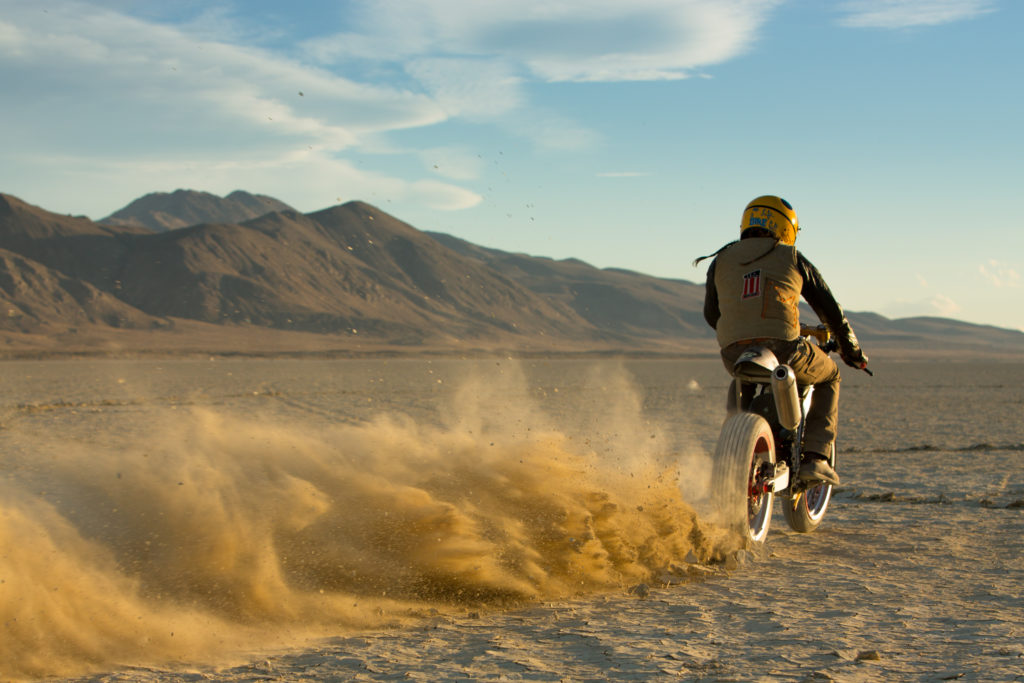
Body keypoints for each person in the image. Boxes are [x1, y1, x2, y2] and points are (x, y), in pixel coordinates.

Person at [696, 195, 868, 486]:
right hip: (785, 347)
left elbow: (712, 315)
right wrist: (852, 352)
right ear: (786, 227)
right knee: (830, 376)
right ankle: (817, 458)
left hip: (733, 351)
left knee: (741, 379)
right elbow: (831, 311)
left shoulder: (720, 260)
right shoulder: (791, 256)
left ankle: (730, 451)